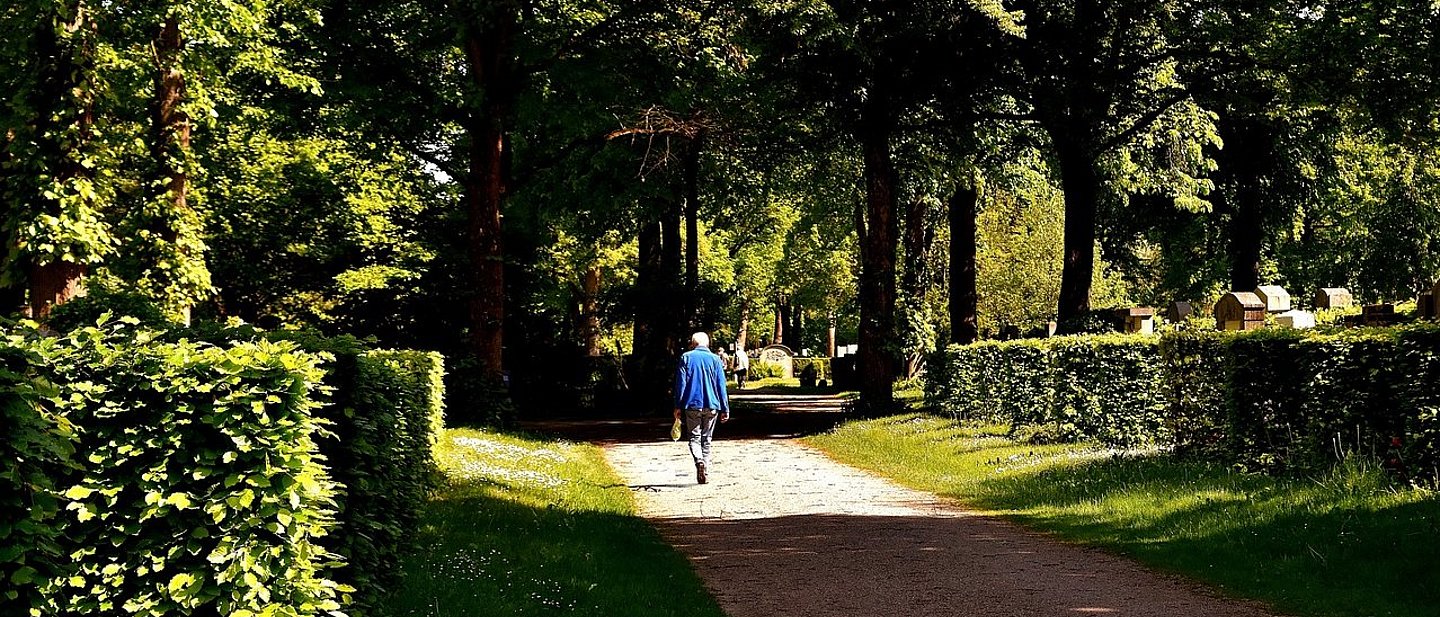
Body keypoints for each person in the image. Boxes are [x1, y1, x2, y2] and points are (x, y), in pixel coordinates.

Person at [673, 332, 730, 484]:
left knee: (694, 437)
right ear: (708, 343)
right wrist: (725, 408)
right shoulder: (716, 359)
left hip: (692, 404)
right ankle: (705, 469)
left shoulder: (686, 357)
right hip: (712, 404)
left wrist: (678, 405)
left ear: (693, 343)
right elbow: (721, 386)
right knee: (707, 438)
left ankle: (699, 461)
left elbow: (681, 385)